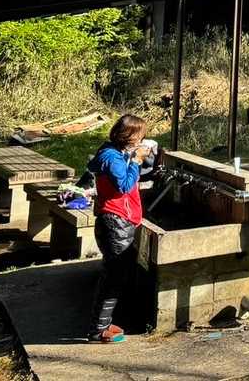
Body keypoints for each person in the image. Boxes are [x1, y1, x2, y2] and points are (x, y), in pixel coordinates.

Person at [86, 114, 156, 343]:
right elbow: (124, 185)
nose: (141, 140)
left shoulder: (111, 152)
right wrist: (135, 161)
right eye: (139, 136)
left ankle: (102, 323)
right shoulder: (112, 158)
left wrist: (134, 157)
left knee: (113, 275)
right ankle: (98, 330)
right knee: (114, 278)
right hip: (116, 221)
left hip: (116, 220)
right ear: (129, 136)